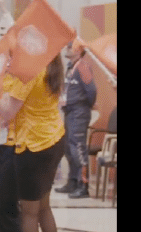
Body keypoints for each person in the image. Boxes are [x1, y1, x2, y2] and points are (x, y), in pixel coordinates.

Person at [0, 54, 67, 232]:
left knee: (29, 213)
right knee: (44, 208)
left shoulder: (29, 71)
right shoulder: (54, 65)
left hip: (33, 146)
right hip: (54, 138)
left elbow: (7, 111)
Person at [55, 42, 97, 199]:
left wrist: (85, 105)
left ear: (79, 51)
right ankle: (72, 180)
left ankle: (83, 184)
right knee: (67, 147)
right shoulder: (70, 67)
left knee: (77, 148)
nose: (67, 48)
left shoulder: (83, 66)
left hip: (79, 111)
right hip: (69, 111)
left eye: (71, 46)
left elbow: (92, 90)